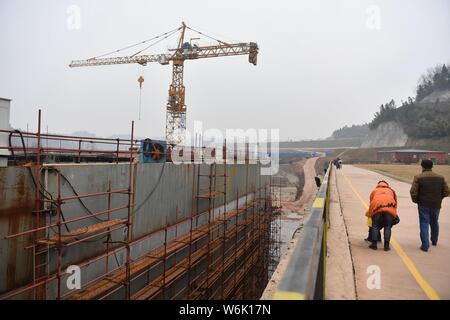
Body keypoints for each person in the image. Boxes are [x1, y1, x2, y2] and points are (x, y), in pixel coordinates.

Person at [410, 159, 449, 252]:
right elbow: (447, 191)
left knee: (424, 223)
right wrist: (439, 198)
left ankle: (425, 245)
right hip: (436, 204)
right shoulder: (441, 177)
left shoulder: (418, 177)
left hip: (423, 204)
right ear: (432, 166)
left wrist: (416, 201)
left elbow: (413, 192)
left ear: (422, 166)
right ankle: (434, 241)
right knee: (434, 222)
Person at [367, 180, 399, 251]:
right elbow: (395, 203)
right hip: (389, 208)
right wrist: (394, 214)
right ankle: (386, 246)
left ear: (378, 185)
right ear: (387, 185)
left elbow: (371, 202)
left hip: (377, 208)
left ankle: (374, 244)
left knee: (375, 225)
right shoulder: (391, 191)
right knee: (387, 226)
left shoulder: (374, 190)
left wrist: (370, 214)